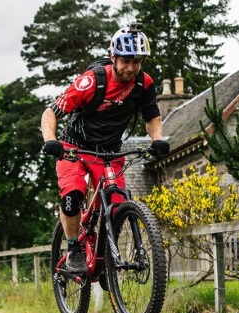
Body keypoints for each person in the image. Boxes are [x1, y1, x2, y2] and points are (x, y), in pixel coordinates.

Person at [40, 24, 170, 274]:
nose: (131, 68)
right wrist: (50, 140)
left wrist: (157, 140)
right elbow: (51, 112)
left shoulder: (144, 84)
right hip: (73, 148)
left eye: (137, 62)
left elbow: (152, 116)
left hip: (109, 150)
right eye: (125, 61)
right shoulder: (91, 81)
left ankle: (106, 256)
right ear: (113, 57)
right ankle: (73, 248)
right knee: (73, 195)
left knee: (119, 203)